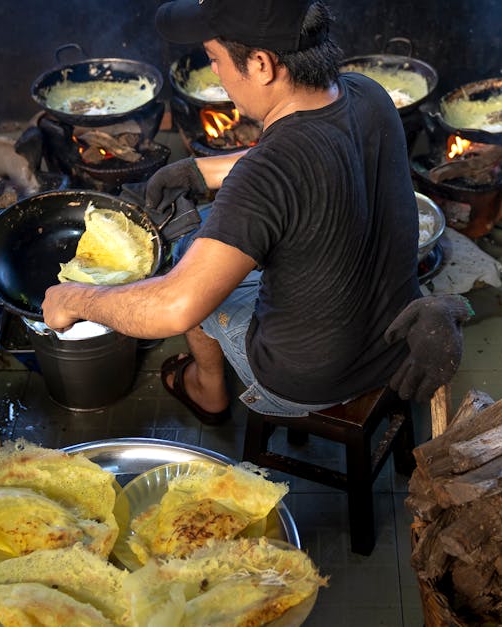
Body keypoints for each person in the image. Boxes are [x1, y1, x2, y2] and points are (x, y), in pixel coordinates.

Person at [42, 0, 465, 423]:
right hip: (390, 343)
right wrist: (198, 170)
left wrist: (75, 298)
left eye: (215, 61)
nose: (219, 77)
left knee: (188, 255)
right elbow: (312, 157)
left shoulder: (266, 175)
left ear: (262, 64)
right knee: (216, 244)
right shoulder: (368, 94)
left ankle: (209, 389)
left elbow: (175, 306)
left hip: (307, 382)